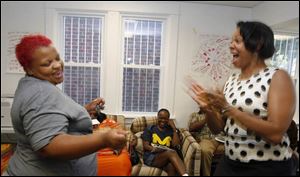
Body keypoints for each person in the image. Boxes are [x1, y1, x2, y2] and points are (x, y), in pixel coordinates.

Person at [6, 34, 127, 176]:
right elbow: (50, 146)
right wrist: (103, 139)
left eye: (57, 58)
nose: (57, 65)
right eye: (47, 63)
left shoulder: (34, 85)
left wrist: (84, 110)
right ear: (29, 69)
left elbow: (51, 118)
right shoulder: (41, 92)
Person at [188, 21, 297, 176]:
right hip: (230, 162)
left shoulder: (278, 77)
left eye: (237, 41)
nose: (231, 46)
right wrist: (209, 110)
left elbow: (275, 134)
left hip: (267, 168)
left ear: (257, 45)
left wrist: (228, 108)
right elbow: (218, 129)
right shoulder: (231, 80)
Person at [141, 108, 188, 176]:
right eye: (161, 118)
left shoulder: (171, 130)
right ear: (157, 118)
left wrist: (174, 129)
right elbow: (146, 146)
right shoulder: (150, 128)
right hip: (152, 157)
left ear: (168, 119)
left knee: (171, 165)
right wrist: (157, 150)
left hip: (166, 158)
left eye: (165, 118)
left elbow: (176, 145)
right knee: (171, 153)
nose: (163, 120)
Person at [94, 112, 132, 176]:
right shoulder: (82, 126)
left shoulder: (110, 123)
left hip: (114, 153)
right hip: (96, 155)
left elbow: (122, 137)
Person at [188, 109, 224, 176]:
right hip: (207, 140)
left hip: (222, 139)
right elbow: (191, 128)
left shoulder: (219, 115)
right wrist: (208, 117)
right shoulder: (195, 115)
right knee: (205, 151)